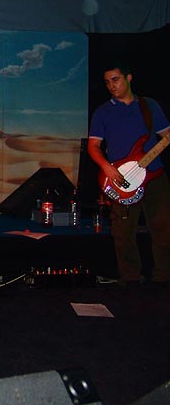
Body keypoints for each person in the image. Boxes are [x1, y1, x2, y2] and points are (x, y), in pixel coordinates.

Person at [88, 60, 170, 288]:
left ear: (128, 78)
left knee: (164, 228)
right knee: (123, 232)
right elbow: (93, 146)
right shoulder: (103, 112)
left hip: (154, 175)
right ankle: (131, 278)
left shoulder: (149, 106)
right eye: (107, 82)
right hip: (120, 179)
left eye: (115, 80)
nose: (111, 86)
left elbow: (165, 135)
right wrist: (107, 167)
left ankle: (164, 277)